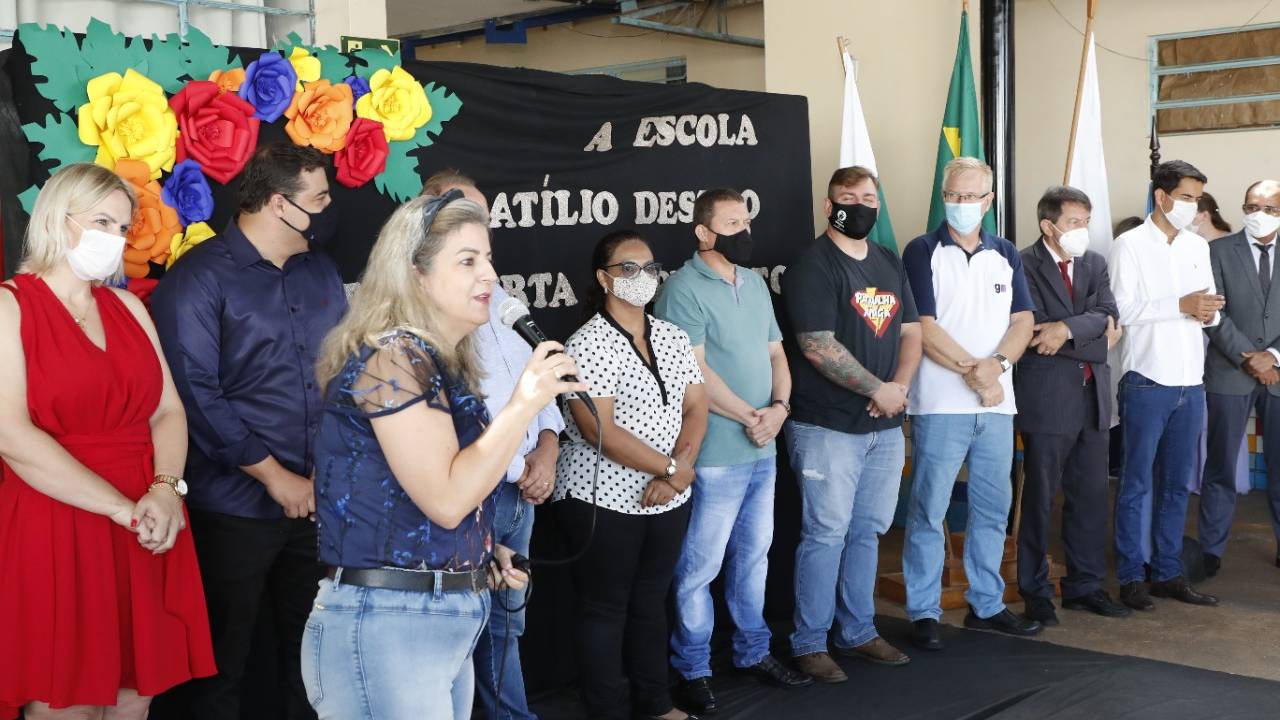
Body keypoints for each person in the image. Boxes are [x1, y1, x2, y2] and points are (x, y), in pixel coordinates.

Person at [301, 191, 562, 719]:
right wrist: (524, 404)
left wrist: (478, 553)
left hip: (438, 615)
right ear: (415, 275)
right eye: (467, 260)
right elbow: (445, 498)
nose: (488, 274)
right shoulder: (392, 358)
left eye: (488, 257)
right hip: (386, 622)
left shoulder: (437, 361)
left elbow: (431, 499)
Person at [0, 163, 214, 719]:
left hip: (145, 522)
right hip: (56, 522)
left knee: (130, 701)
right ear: (57, 218)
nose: (116, 240)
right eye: (102, 222)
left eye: (122, 227)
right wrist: (123, 508)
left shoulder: (129, 308)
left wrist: (166, 490)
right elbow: (12, 436)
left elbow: (168, 410)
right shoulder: (9, 307)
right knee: (65, 702)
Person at [150, 144, 348, 719]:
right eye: (320, 198)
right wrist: (274, 477)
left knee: (313, 659)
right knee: (219, 665)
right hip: (232, 505)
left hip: (319, 502)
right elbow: (195, 394)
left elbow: (343, 370)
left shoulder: (322, 270)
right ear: (279, 204)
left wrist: (321, 474)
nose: (330, 208)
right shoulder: (199, 278)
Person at [655, 188, 809, 713]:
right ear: (703, 232)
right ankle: (692, 668)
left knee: (754, 559)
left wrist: (780, 410)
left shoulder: (756, 283)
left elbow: (776, 353)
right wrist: (751, 417)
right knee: (699, 567)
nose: (744, 232)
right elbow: (692, 373)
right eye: (731, 223)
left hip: (762, 450)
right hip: (717, 453)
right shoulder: (681, 288)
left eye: (747, 222)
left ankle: (752, 651)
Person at [420, 170, 565, 720]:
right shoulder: (416, 322)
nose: (477, 231)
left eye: (483, 220)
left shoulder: (506, 303)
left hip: (517, 499)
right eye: (462, 216)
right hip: (461, 497)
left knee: (507, 621)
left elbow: (542, 397)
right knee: (456, 630)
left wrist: (546, 453)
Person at [554, 230, 708, 720]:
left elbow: (697, 408)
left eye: (649, 268)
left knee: (650, 601)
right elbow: (597, 429)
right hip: (601, 500)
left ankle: (656, 704)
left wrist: (678, 472)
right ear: (604, 278)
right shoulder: (588, 342)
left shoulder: (671, 335)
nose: (642, 278)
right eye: (628, 268)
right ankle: (606, 711)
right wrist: (669, 468)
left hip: (667, 496)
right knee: (605, 610)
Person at [781, 166, 923, 683]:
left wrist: (898, 390)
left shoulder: (887, 260)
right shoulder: (812, 264)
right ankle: (809, 642)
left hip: (884, 425)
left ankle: (858, 630)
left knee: (868, 532)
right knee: (826, 533)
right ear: (828, 205)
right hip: (827, 426)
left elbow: (911, 332)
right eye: (848, 197)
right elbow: (817, 345)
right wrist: (876, 389)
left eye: (868, 197)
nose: (860, 206)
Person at [900, 157, 1040, 650]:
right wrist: (977, 374)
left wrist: (997, 366)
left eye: (971, 197)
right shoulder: (920, 251)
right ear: (944, 195)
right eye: (953, 196)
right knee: (928, 507)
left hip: (996, 406)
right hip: (940, 405)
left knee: (992, 507)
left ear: (989, 201)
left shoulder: (1004, 252)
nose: (961, 205)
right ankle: (923, 609)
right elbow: (923, 326)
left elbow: (1023, 320)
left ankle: (987, 603)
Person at [1109, 159, 1222, 610]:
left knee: (1178, 484)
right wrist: (1180, 303)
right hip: (1147, 379)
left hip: (1190, 380)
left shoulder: (1197, 246)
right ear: (1162, 196)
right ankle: (1132, 574)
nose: (1193, 208)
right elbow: (1121, 310)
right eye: (1188, 197)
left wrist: (1208, 311)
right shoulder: (1129, 245)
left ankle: (1168, 571)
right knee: (1137, 482)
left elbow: (1208, 307)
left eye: (1197, 199)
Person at [1013, 186, 1129, 626]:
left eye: (1086, 221)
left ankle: (1085, 586)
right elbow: (1034, 333)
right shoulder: (1023, 263)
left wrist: (1065, 331)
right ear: (1049, 225)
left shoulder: (1095, 263)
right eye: (1074, 222)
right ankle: (1035, 590)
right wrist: (1092, 340)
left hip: (1093, 399)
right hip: (1047, 400)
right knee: (1040, 499)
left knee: (1091, 497)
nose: (1083, 230)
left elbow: (1110, 315)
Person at [1200, 179, 1280, 575]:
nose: (1257, 215)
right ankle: (1211, 551)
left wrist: (1273, 358)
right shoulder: (1216, 251)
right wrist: (1251, 358)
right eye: (1250, 207)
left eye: (1267, 208)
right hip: (1229, 373)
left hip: (1278, 373)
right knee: (1220, 466)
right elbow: (1212, 313)